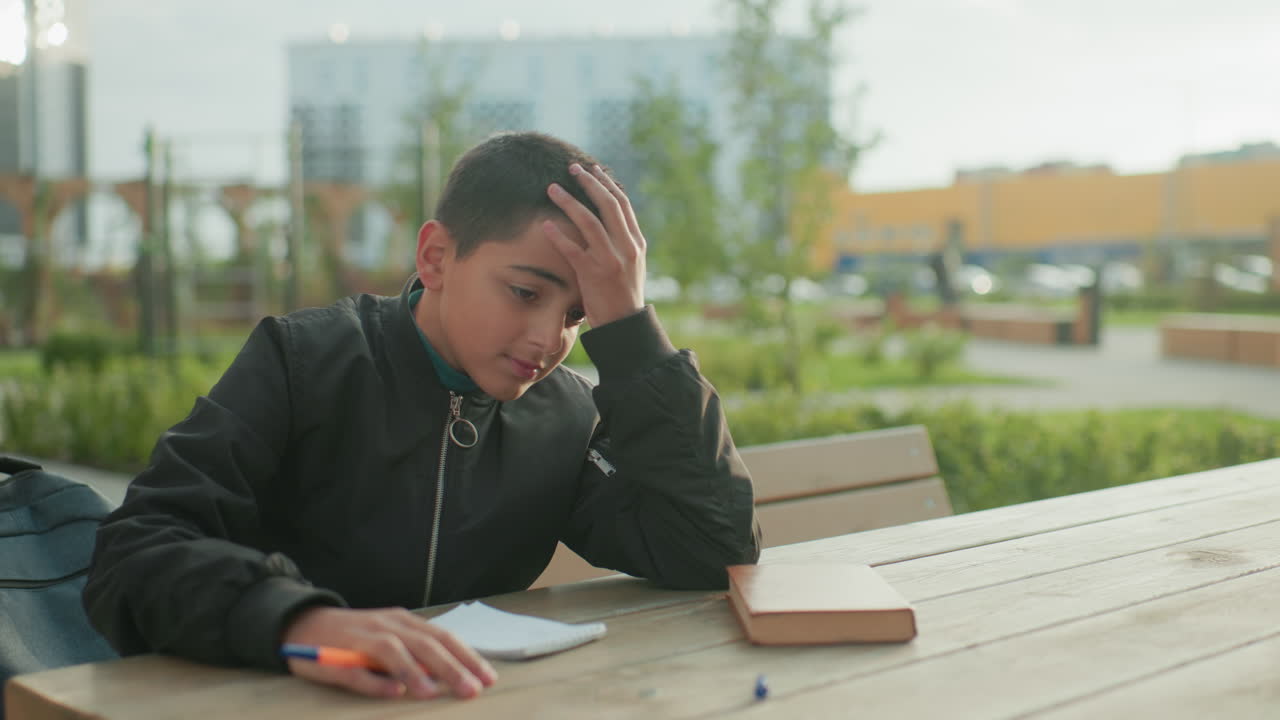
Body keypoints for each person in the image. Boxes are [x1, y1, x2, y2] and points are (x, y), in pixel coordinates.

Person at [83, 131, 761, 702]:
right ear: (436, 256)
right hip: (265, 700)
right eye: (525, 292)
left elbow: (709, 549)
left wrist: (634, 337)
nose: (546, 341)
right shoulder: (305, 362)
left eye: (578, 317)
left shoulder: (563, 415)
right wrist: (301, 619)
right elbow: (134, 552)